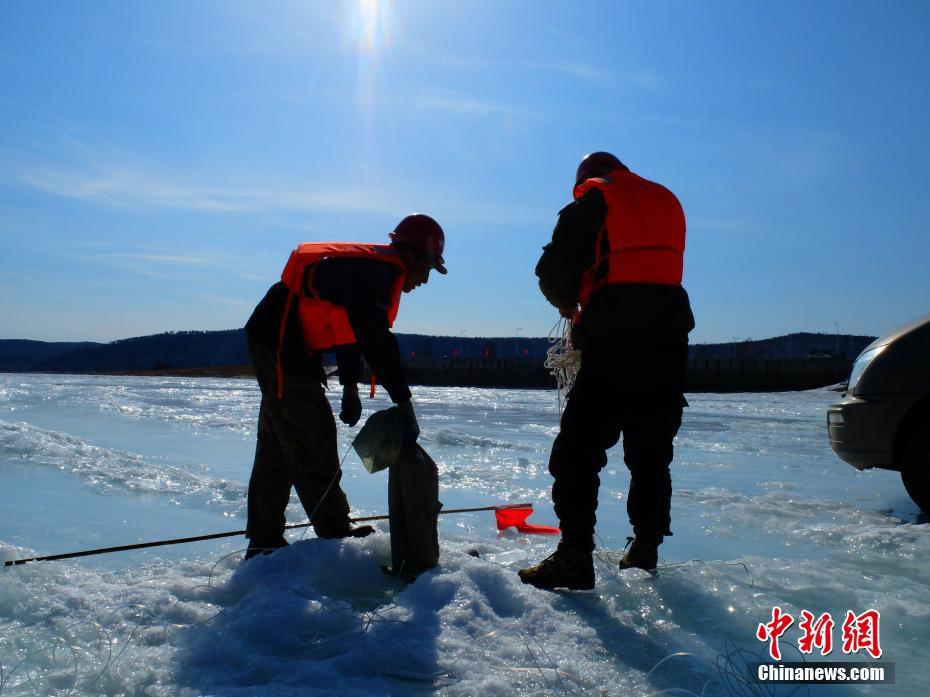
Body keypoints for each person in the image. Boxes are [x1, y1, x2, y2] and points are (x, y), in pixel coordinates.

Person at [519, 152, 695, 590]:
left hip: (615, 341)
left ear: (587, 178)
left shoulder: (595, 200)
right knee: (651, 453)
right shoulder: (667, 201)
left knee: (576, 453)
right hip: (669, 345)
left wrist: (568, 303)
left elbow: (553, 271)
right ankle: (645, 550)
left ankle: (575, 558)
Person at [242, 214, 446, 560]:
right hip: (280, 343)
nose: (426, 279)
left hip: (286, 342)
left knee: (278, 440)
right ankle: (334, 528)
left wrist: (350, 387)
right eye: (428, 267)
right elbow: (375, 339)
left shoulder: (370, 273)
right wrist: (404, 400)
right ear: (411, 255)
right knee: (311, 431)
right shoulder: (379, 273)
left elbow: (348, 332)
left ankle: (263, 539)